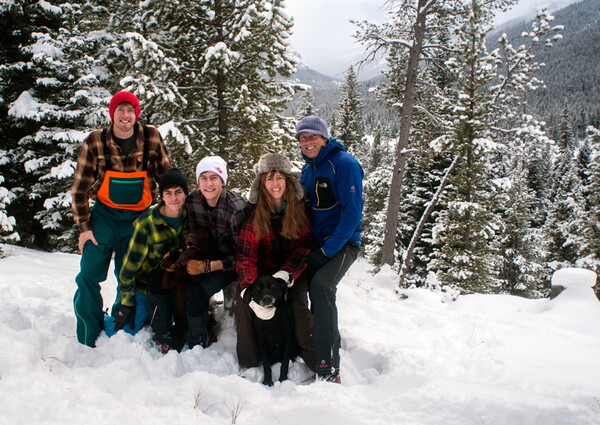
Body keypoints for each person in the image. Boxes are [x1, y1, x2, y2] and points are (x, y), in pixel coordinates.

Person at [71, 91, 171, 347]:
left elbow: (167, 177)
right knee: (88, 276)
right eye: (120, 110)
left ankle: (120, 328)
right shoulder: (95, 141)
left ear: (136, 113)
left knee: (130, 275)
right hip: (103, 217)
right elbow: (80, 188)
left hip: (138, 219)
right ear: (112, 113)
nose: (125, 116)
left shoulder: (151, 137)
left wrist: (173, 212)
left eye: (130, 110)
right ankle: (88, 333)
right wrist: (84, 228)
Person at [295, 115, 364, 383]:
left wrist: (327, 252)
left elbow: (352, 213)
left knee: (322, 287)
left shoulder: (344, 164)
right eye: (303, 138)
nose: (307, 141)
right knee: (314, 293)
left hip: (344, 242)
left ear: (325, 138)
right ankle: (324, 348)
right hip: (318, 244)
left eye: (313, 136)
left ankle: (328, 368)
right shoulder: (308, 170)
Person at [233, 153, 313, 369]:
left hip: (292, 271)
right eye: (269, 179)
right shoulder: (254, 212)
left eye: (279, 178)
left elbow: (305, 246)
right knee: (243, 305)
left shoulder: (300, 208)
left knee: (298, 303)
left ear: (288, 180)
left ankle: (312, 356)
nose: (275, 184)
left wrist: (287, 273)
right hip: (262, 272)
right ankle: (249, 362)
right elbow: (245, 255)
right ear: (262, 183)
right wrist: (248, 288)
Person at [108, 168, 189, 351]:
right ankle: (106, 319)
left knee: (178, 326)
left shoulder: (189, 218)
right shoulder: (146, 224)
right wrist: (127, 302)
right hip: (146, 288)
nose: (174, 198)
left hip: (174, 287)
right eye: (168, 193)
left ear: (185, 193)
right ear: (162, 196)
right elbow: (127, 270)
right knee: (128, 330)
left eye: (178, 192)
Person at [184, 156, 250, 347]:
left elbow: (244, 255)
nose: (208, 183)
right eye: (203, 178)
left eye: (214, 178)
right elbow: (190, 233)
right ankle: (196, 329)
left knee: (197, 292)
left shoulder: (237, 209)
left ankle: (198, 342)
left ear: (223, 181)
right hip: (205, 258)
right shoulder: (192, 201)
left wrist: (211, 266)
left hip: (232, 264)